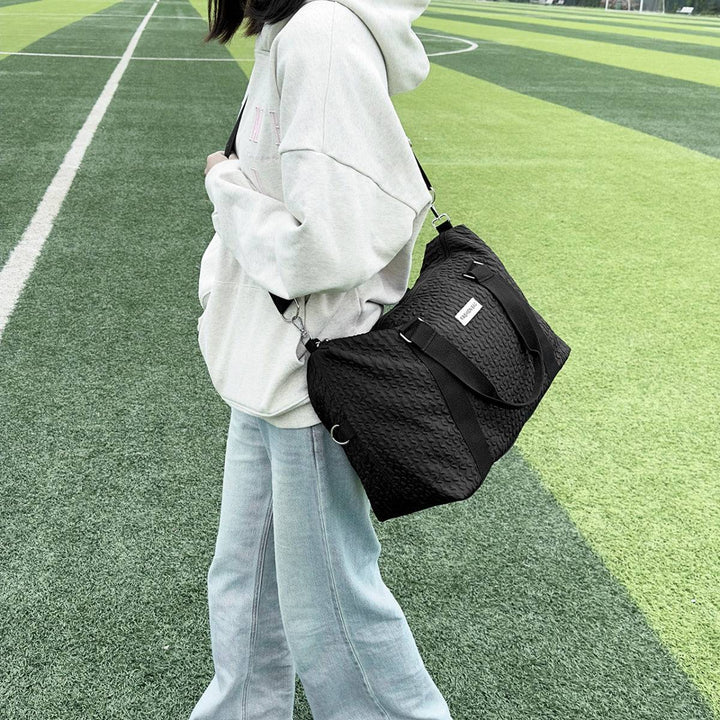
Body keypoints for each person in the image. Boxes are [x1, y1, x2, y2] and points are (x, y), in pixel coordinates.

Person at [192, 0, 452, 717]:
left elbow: (325, 244)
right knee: (248, 587)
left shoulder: (320, 36)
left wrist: (226, 184)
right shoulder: (295, 30)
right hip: (274, 363)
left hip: (311, 374)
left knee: (333, 613)